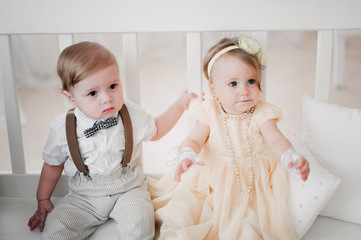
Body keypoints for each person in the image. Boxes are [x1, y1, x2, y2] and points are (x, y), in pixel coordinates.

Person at [27, 41, 197, 240]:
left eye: (113, 86)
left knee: (141, 224)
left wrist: (178, 106)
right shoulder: (63, 127)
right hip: (84, 195)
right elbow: (52, 164)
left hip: (129, 188)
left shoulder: (130, 113)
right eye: (93, 93)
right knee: (56, 229)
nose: (106, 98)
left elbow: (157, 129)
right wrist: (43, 198)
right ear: (71, 98)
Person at [149, 36, 310, 239]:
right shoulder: (209, 112)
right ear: (214, 90)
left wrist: (289, 156)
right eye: (233, 83)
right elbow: (194, 139)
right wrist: (187, 154)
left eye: (251, 81)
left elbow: (276, 139)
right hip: (209, 180)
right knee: (186, 209)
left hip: (250, 183)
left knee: (249, 225)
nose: (244, 90)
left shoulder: (262, 112)